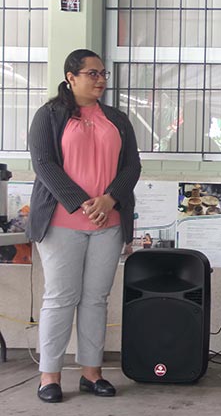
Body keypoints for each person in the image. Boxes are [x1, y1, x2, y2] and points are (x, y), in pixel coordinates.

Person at [27, 49, 141, 403]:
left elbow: (132, 166)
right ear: (71, 77)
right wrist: (81, 202)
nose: (101, 79)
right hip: (61, 222)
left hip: (108, 222)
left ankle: (92, 373)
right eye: (92, 73)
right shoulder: (48, 115)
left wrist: (109, 200)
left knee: (95, 300)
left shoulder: (118, 119)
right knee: (61, 298)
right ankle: (50, 376)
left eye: (103, 73)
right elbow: (44, 163)